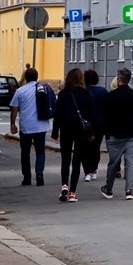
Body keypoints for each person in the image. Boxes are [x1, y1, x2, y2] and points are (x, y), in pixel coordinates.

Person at [51, 68, 97, 202]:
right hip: (81, 130)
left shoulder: (64, 94)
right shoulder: (86, 94)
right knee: (77, 160)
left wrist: (55, 132)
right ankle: (72, 192)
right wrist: (91, 132)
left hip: (66, 128)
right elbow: (91, 115)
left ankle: (64, 185)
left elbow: (57, 115)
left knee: (65, 159)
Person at [99, 69, 133, 200]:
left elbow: (105, 117)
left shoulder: (110, 97)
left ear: (119, 80)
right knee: (131, 162)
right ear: (129, 80)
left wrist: (106, 134)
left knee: (113, 163)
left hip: (115, 135)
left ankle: (108, 189)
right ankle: (129, 190)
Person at [9, 67, 53, 186]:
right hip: (41, 126)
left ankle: (27, 177)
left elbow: (14, 108)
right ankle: (39, 175)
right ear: (37, 77)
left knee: (25, 152)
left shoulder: (20, 91)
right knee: (40, 151)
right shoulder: (42, 89)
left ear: (26, 78)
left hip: (26, 126)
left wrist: (12, 124)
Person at [81, 69, 109, 180]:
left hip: (85, 125)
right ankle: (94, 168)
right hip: (100, 124)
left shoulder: (83, 91)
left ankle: (87, 171)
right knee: (96, 147)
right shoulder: (103, 91)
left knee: (85, 148)